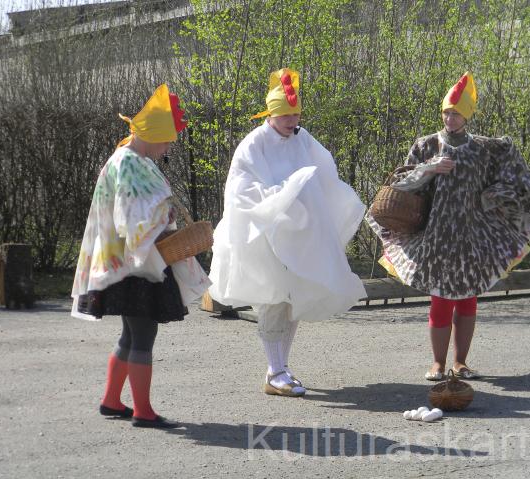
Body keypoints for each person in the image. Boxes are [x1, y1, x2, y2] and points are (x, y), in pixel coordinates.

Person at [367, 72, 530, 381]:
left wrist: (490, 197)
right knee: (441, 297)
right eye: (447, 111)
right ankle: (437, 363)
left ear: (467, 116)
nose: (450, 117)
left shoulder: (485, 149)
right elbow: (399, 184)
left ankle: (461, 362)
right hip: (436, 234)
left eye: (456, 112)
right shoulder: (427, 145)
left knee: (468, 296)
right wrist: (429, 169)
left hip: (474, 234)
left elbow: (514, 177)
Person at [208, 67, 366, 397]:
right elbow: (242, 189)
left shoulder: (301, 138)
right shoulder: (253, 144)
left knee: (295, 298)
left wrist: (309, 196)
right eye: (286, 116)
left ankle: (281, 367)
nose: (293, 122)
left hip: (300, 233)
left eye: (296, 114)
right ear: (272, 114)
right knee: (273, 299)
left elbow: (324, 171)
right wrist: (283, 193)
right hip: (266, 235)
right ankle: (274, 370)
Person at [71, 84, 211, 428]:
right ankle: (144, 412)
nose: (166, 149)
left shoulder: (125, 158)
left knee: (130, 335)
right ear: (151, 135)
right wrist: (164, 219)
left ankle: (111, 400)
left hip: (124, 264)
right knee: (143, 337)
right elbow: (132, 216)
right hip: (137, 266)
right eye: (165, 142)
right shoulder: (132, 163)